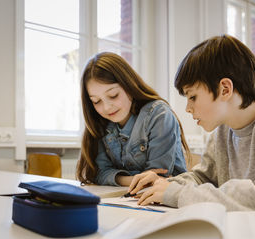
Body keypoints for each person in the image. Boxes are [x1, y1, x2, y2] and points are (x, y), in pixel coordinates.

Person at [128, 35, 255, 211]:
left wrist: (180, 194)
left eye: (192, 97)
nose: (188, 108)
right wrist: (164, 185)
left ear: (225, 89)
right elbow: (203, 178)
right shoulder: (223, 133)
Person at [76, 52, 189, 186]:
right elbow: (99, 174)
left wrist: (119, 178)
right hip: (129, 198)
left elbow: (157, 177)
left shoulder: (158, 114)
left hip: (168, 199)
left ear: (129, 85)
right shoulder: (100, 122)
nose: (106, 107)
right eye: (96, 101)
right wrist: (131, 181)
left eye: (113, 95)